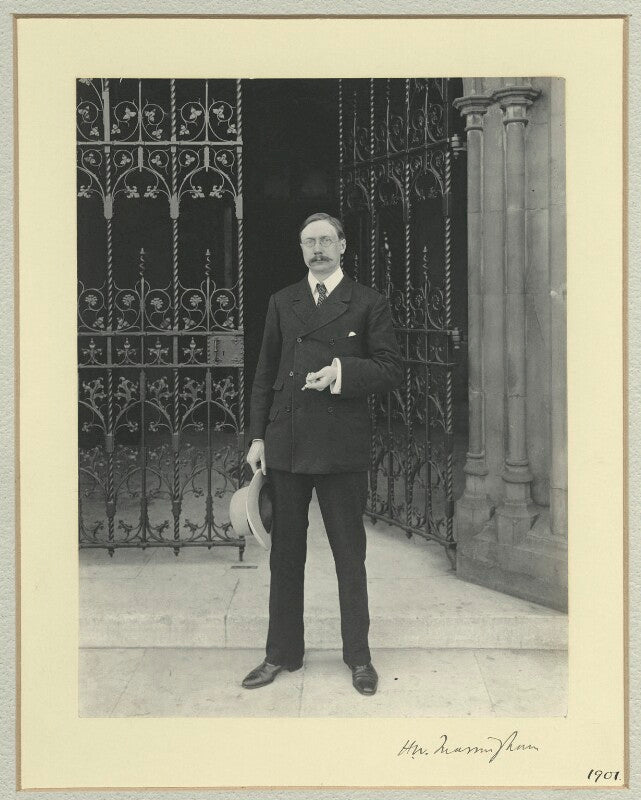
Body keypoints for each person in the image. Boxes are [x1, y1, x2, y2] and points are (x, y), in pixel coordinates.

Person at [242, 212, 403, 695]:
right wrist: (257, 437)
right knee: (285, 557)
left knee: (349, 555)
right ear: (301, 249)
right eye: (309, 241)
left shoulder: (368, 302)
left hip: (341, 445)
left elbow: (391, 368)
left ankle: (359, 658)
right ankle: (281, 653)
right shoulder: (282, 301)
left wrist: (341, 373)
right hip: (288, 443)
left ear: (343, 246)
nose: (318, 249)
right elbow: (265, 372)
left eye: (326, 241)